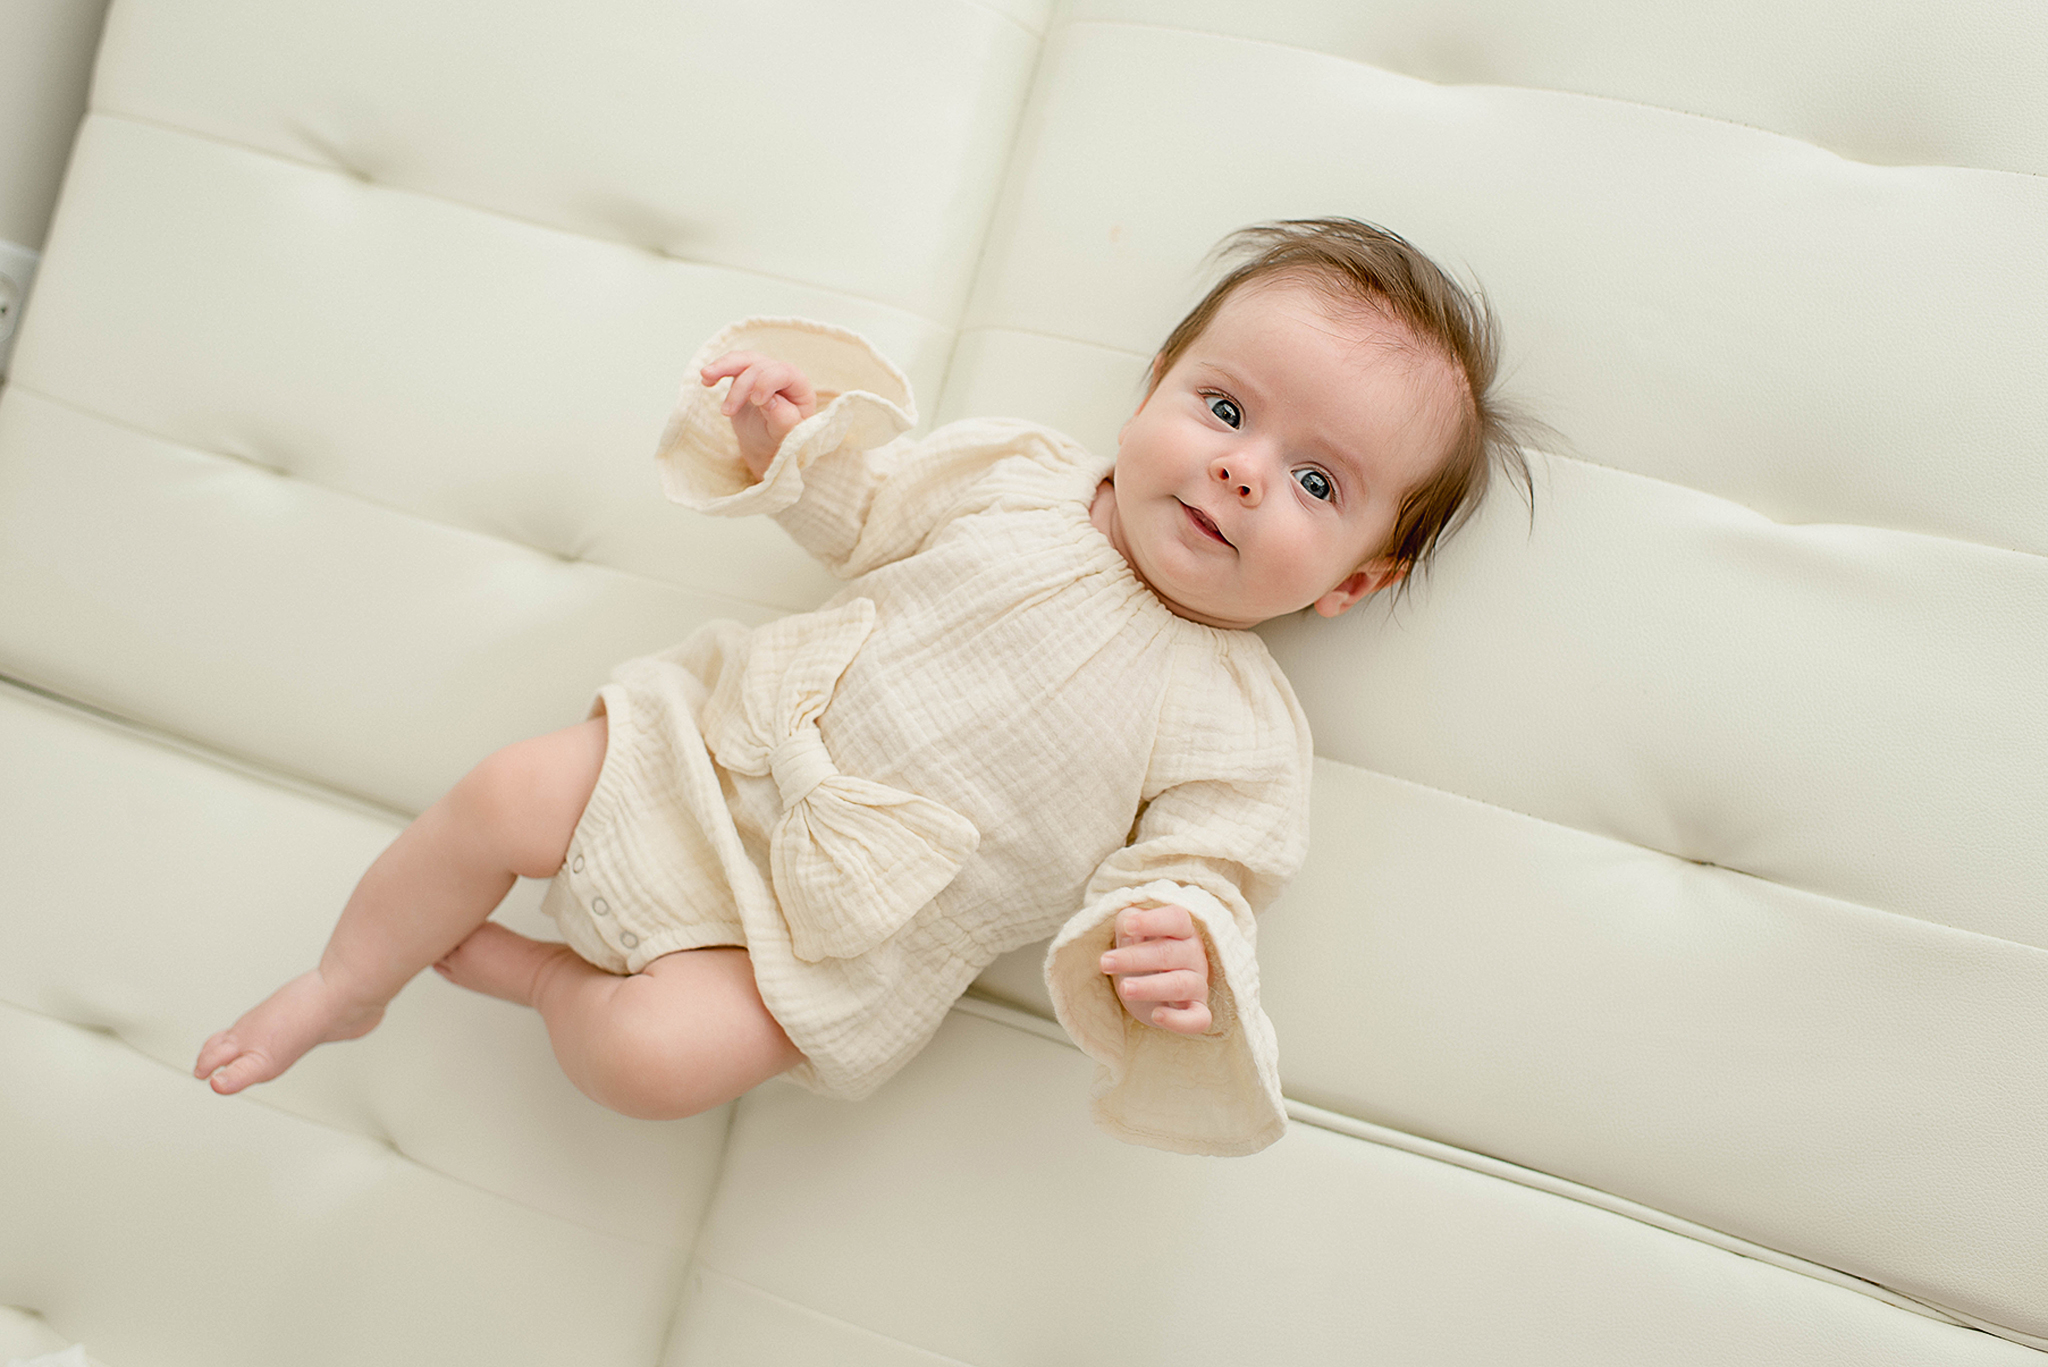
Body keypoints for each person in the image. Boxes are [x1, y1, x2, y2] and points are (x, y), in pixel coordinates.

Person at [194, 218, 1535, 1156]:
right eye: (1227, 410)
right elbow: (864, 508)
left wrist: (1184, 939)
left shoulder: (1236, 723)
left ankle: (548, 985)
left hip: (825, 947)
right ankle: (344, 983)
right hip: (713, 754)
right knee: (500, 794)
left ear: (1352, 582)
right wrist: (793, 433)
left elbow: (1205, 866)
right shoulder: (1013, 478)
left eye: (1317, 483)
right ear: (1150, 393)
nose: (1244, 469)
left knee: (655, 1064)